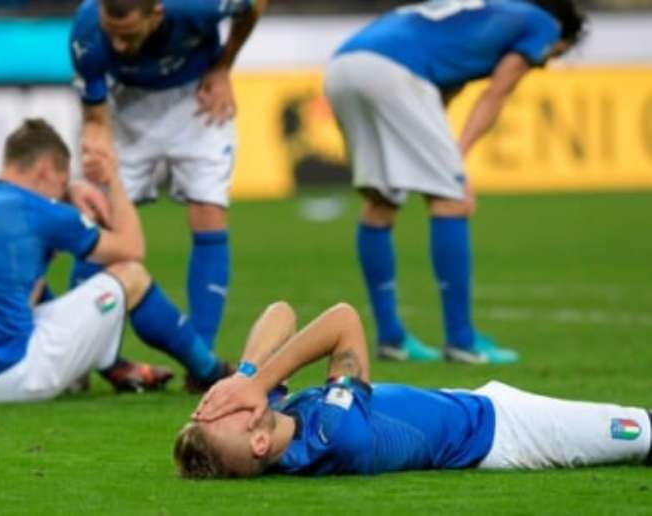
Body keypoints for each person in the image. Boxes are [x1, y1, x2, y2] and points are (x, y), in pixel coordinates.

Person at [323, 0, 586, 363]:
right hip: (395, 72)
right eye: (554, 55)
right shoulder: (543, 24)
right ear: (562, 34)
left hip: (343, 67)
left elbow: (441, 93)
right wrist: (455, 164)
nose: (544, 61)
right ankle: (462, 340)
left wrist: (443, 157)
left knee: (379, 202)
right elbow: (496, 93)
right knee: (452, 199)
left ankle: (391, 338)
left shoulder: (484, 18)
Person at [0, 118, 229, 402]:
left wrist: (67, 192)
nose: (58, 195)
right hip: (10, 378)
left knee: (23, 282)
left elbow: (23, 272)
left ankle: (111, 366)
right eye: (60, 182)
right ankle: (209, 372)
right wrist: (112, 182)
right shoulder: (33, 211)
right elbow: (132, 247)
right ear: (44, 170)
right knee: (131, 276)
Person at [176, 302, 651, 478]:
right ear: (258, 443)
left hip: (473, 404)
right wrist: (256, 382)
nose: (220, 406)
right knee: (641, 431)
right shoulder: (332, 436)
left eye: (206, 409)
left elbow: (281, 312)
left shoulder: (279, 421)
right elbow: (343, 320)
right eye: (222, 417)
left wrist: (244, 374)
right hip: (506, 434)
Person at [68, 0, 267, 387]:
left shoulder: (197, 5)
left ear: (156, 13)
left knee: (208, 211)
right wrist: (95, 139)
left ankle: (202, 362)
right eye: (113, 34)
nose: (120, 46)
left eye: (128, 34)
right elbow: (93, 114)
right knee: (102, 221)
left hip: (198, 99)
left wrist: (224, 66)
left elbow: (255, 5)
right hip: (129, 106)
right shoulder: (87, 29)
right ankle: (78, 359)